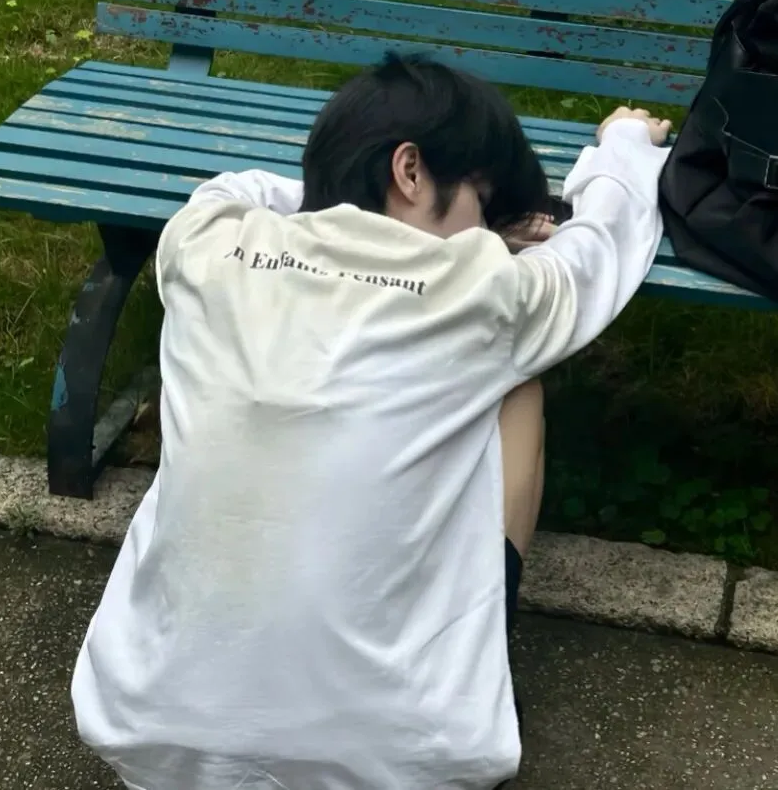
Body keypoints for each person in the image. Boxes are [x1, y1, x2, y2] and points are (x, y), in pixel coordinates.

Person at [71, 53, 671, 790]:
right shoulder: (484, 291)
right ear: (410, 170)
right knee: (517, 386)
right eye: (481, 201)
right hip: (398, 764)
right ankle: (468, 665)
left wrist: (339, 196)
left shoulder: (202, 245)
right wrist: (625, 144)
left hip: (149, 734)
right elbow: (605, 239)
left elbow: (235, 188)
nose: (484, 233)